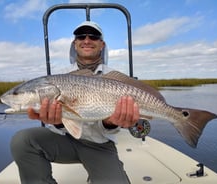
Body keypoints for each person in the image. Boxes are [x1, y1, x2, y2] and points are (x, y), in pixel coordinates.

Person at [10, 21, 140, 184]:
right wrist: (58, 123)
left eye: (93, 36)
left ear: (102, 44)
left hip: (100, 144)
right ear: (75, 43)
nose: (86, 40)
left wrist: (110, 123)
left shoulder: (115, 79)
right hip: (65, 141)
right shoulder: (60, 77)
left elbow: (111, 131)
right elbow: (55, 127)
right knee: (22, 140)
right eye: (81, 36)